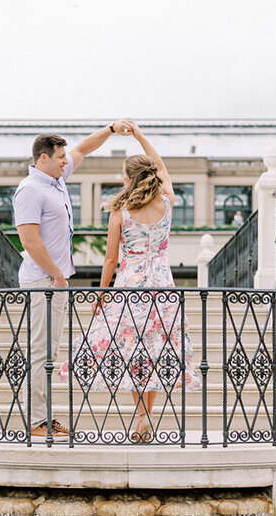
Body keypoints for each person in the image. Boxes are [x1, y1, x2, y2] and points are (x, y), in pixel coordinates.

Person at [61, 121, 199, 442]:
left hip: (130, 284)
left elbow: (110, 259)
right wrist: (139, 136)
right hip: (162, 285)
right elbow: (161, 164)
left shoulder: (120, 211)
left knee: (134, 350)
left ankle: (140, 415)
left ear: (129, 179)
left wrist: (101, 293)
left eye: (124, 174)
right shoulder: (166, 201)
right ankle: (146, 415)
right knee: (155, 348)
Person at [14, 120, 131, 438]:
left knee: (49, 352)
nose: (67, 160)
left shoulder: (57, 180)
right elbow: (29, 240)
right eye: (60, 156)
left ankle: (43, 417)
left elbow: (83, 149)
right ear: (43, 158)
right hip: (43, 281)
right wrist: (55, 275)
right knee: (41, 351)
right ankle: (36, 421)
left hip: (55, 281)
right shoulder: (30, 190)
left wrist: (110, 130)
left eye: (64, 156)